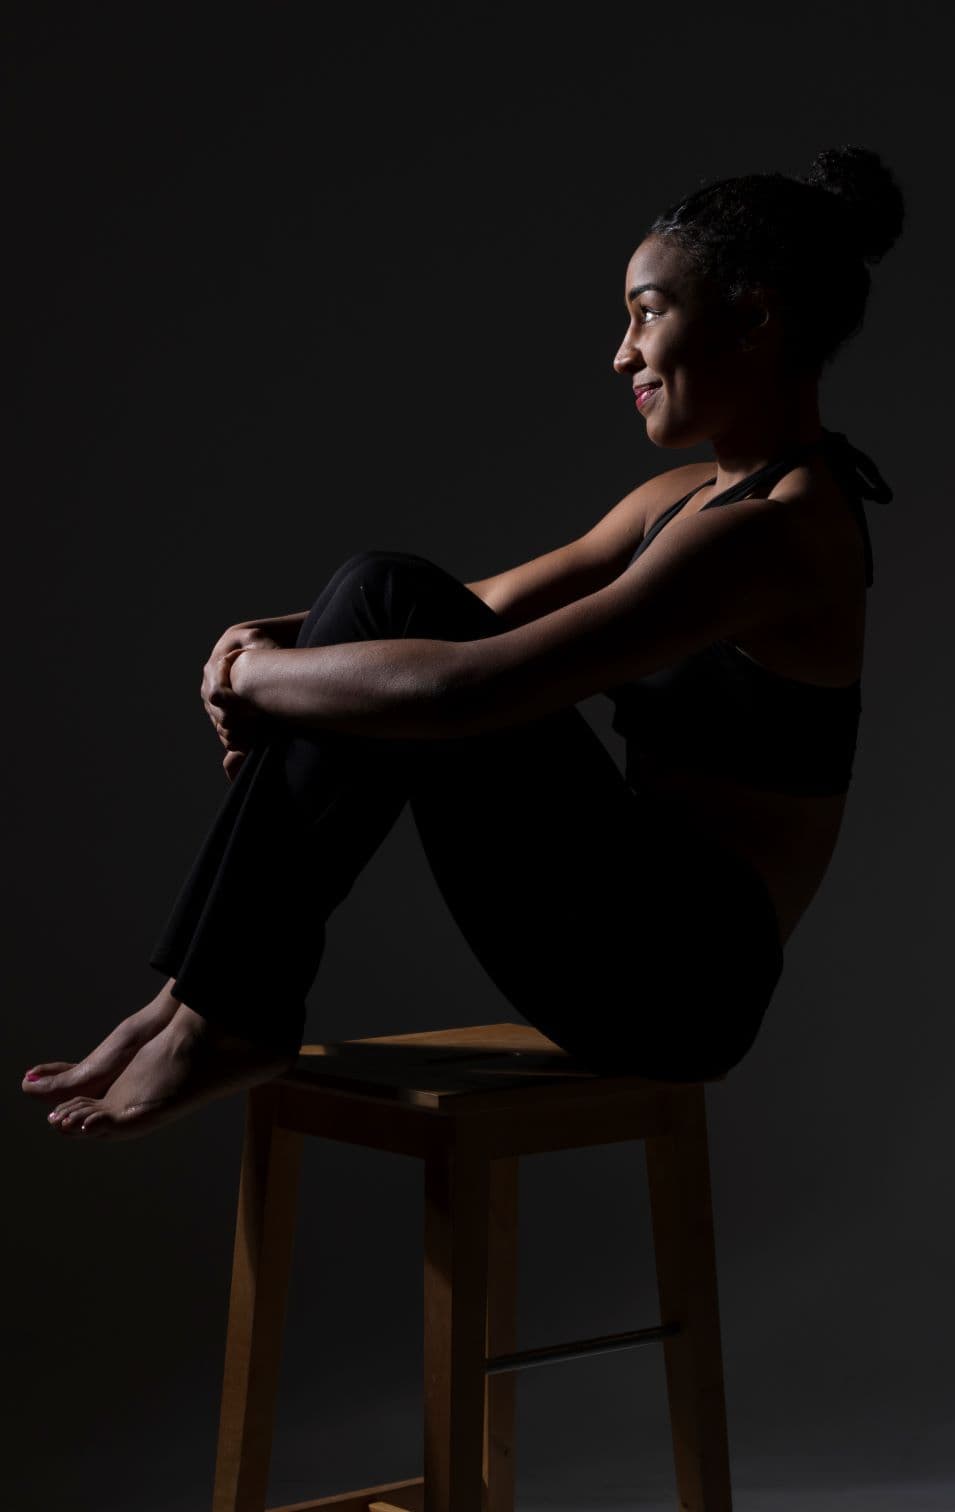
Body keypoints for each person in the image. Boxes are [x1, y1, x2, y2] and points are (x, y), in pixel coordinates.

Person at [22, 143, 906, 1140]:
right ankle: (204, 1001)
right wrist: (266, 641)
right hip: (616, 926)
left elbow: (468, 691)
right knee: (380, 588)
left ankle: (217, 1006)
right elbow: (470, 605)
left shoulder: (777, 534)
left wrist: (262, 678)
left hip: (677, 980)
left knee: (388, 612)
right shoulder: (686, 502)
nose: (622, 353)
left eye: (646, 312)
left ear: (752, 316)